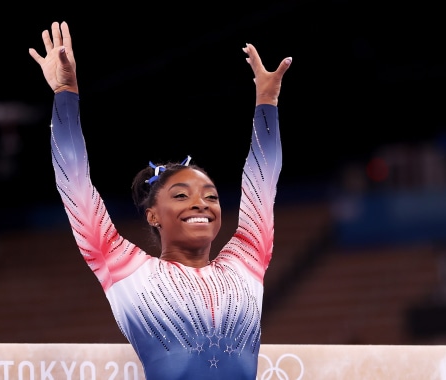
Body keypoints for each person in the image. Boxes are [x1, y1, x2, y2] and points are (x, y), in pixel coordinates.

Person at [29, 21, 291, 380]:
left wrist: (267, 102)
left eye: (210, 196)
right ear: (153, 216)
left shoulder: (246, 261)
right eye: (181, 195)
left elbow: (263, 177)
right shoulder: (126, 267)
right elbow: (73, 180)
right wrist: (65, 91)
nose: (200, 203)